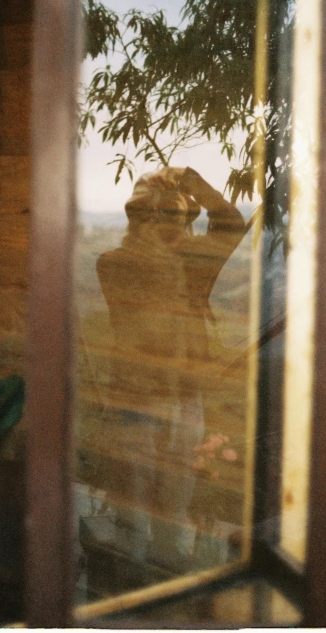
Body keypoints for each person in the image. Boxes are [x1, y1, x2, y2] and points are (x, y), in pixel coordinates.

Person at [95, 166, 245, 570]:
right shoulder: (115, 262)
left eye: (178, 217)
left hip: (184, 396)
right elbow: (154, 278)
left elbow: (230, 221)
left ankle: (165, 564)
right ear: (138, 220)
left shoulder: (192, 264)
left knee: (176, 492)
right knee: (135, 495)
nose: (170, 226)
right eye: (158, 216)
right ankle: (129, 570)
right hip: (135, 397)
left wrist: (195, 183)